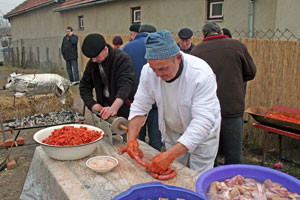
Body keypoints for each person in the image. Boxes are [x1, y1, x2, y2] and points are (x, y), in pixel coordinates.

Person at [125, 30, 221, 175]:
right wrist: (132, 139)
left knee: (197, 176)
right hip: (174, 131)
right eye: (154, 69)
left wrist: (168, 156)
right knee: (173, 171)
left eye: (163, 68)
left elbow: (203, 121)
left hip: (203, 134)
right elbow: (139, 106)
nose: (157, 74)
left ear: (178, 58)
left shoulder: (200, 73)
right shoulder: (148, 72)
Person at [191, 22, 256, 165]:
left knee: (208, 154)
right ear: (220, 32)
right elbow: (251, 73)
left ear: (203, 35)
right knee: (233, 155)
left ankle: (211, 183)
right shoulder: (237, 46)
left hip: (206, 110)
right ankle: (233, 184)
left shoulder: (196, 52)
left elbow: (191, 81)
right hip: (232, 107)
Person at [80, 33, 137, 120]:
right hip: (104, 107)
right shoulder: (92, 64)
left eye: (96, 56)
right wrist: (92, 104)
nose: (94, 60)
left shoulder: (121, 59)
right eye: (91, 58)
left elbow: (126, 85)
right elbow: (84, 86)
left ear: (104, 49)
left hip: (125, 108)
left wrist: (114, 107)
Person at [123, 24, 162, 151]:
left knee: (136, 137)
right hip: (156, 102)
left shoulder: (127, 47)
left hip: (134, 101)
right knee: (155, 140)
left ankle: (137, 157)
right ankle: (155, 159)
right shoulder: (157, 47)